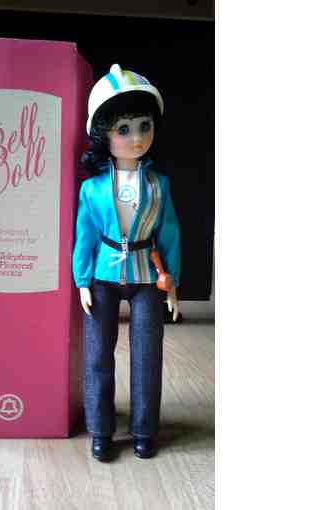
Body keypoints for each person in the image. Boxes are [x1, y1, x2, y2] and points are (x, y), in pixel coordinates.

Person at [72, 64, 181, 461]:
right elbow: (85, 235)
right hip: (102, 276)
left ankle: (144, 430)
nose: (136, 138)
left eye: (143, 126)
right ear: (103, 134)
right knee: (97, 355)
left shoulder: (159, 185)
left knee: (147, 355)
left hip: (146, 276)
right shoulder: (93, 189)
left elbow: (169, 234)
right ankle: (100, 429)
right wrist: (82, 279)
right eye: (123, 129)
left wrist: (172, 283)